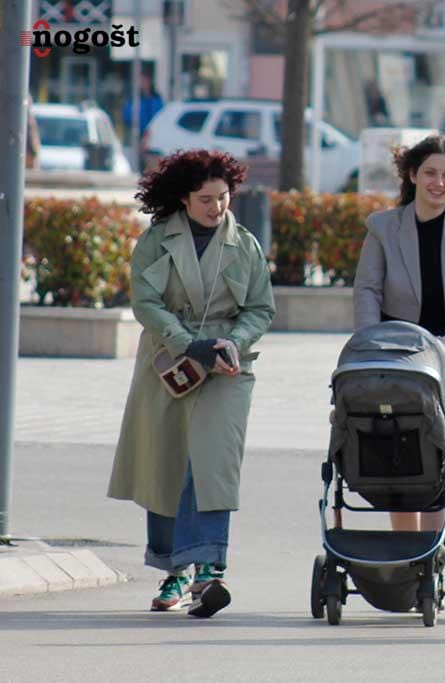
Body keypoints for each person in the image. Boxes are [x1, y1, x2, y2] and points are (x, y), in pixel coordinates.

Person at [108, 150, 275, 617]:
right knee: (165, 461)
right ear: (184, 198)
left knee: (213, 463)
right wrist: (187, 345)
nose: (216, 207)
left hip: (226, 367)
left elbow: (261, 308)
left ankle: (208, 570)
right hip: (167, 362)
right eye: (206, 199)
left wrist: (231, 343)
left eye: (223, 197)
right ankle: (174, 571)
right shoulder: (156, 239)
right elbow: (145, 301)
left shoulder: (245, 244)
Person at [353, 134, 445, 533]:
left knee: (436, 454)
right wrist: (369, 344)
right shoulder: (383, 227)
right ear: (413, 175)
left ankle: (432, 548)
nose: (438, 182)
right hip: (390, 355)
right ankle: (408, 548)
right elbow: (367, 290)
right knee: (397, 453)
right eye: (430, 173)